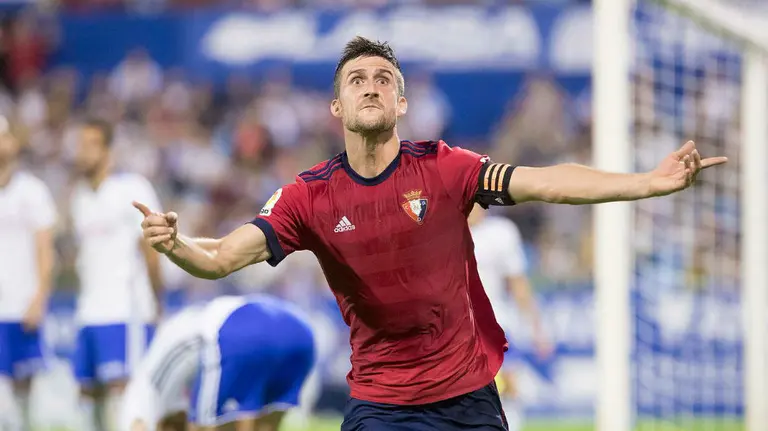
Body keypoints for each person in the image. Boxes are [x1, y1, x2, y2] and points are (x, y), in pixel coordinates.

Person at [133, 37, 727, 430]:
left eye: (384, 78)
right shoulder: (307, 196)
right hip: (380, 404)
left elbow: (549, 182)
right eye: (357, 79)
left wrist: (647, 182)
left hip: (468, 397)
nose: (370, 85)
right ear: (336, 107)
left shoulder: (445, 168)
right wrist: (177, 245)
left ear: (402, 100)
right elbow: (219, 257)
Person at [70, 118, 164, 431]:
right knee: (88, 397)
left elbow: (152, 251)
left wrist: (155, 301)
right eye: (79, 146)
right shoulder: (80, 198)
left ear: (108, 151)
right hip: (88, 312)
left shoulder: (132, 189)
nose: (82, 153)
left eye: (90, 146)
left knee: (125, 398)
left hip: (126, 311)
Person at [120, 294, 316, 431]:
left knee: (207, 423)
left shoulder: (148, 384)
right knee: (264, 424)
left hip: (237, 329)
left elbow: (140, 405)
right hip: (300, 332)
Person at [468, 203, 549, 431]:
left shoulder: (502, 232)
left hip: (497, 324)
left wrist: (537, 329)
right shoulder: (444, 231)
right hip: (456, 329)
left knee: (509, 386)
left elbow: (518, 284)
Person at [0, 121, 56, 430]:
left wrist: (39, 297)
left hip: (22, 306)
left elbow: (45, 250)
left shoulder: (32, 191)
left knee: (23, 400)